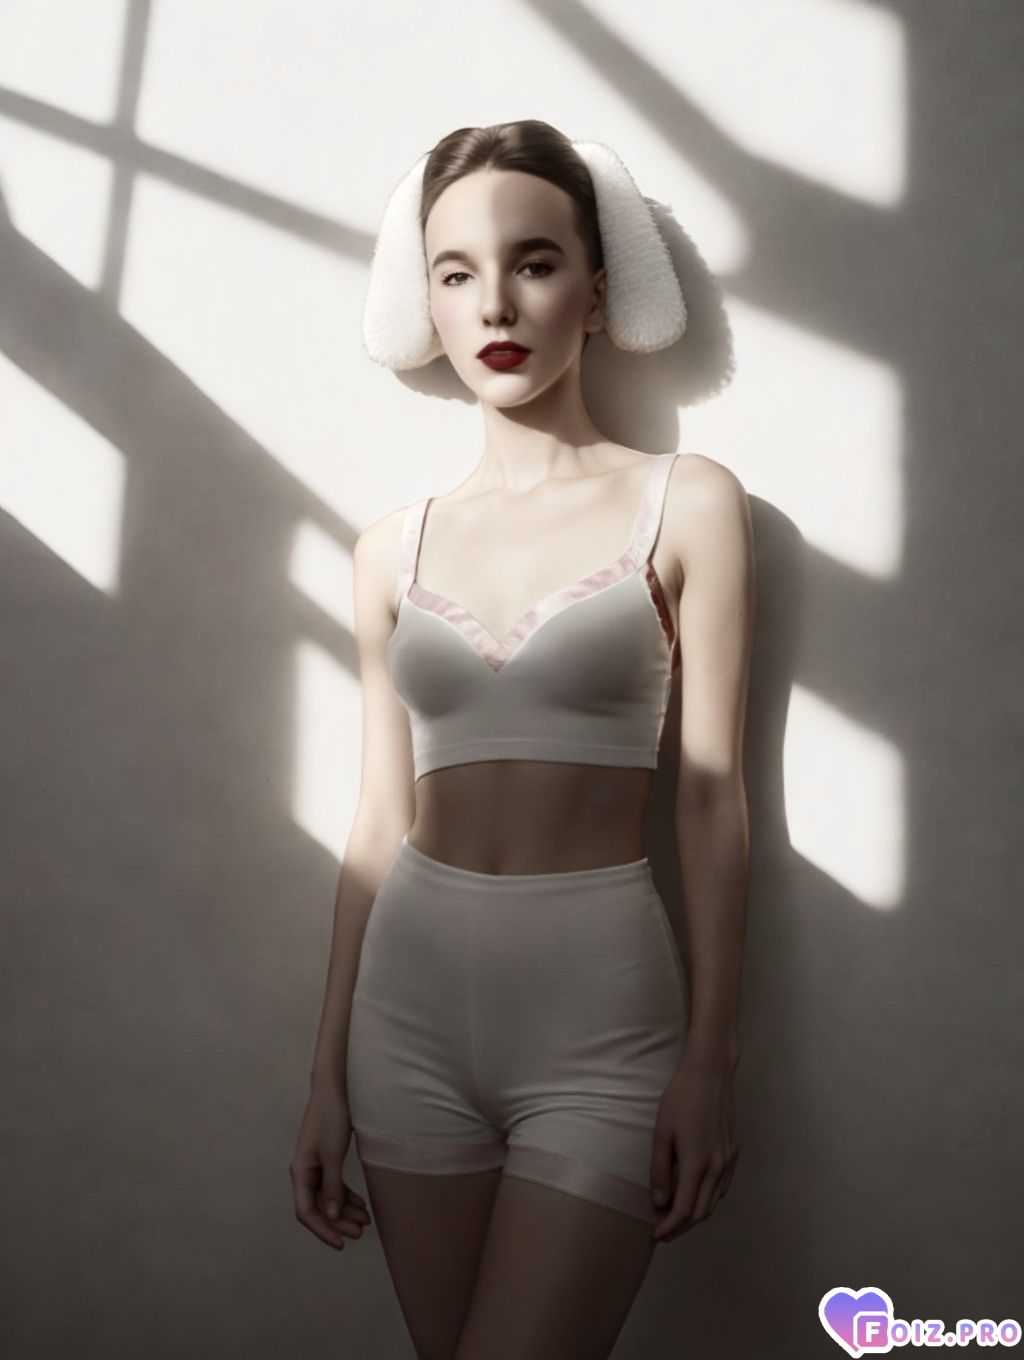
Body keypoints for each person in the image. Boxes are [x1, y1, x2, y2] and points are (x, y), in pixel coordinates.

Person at [290, 119, 755, 1360]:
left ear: (596, 295)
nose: (495, 303)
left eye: (534, 263)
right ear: (429, 306)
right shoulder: (387, 551)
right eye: (456, 273)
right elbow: (379, 821)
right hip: (405, 1021)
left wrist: (710, 1058)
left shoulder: (688, 502)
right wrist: (326, 1071)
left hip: (601, 1021)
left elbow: (710, 797)